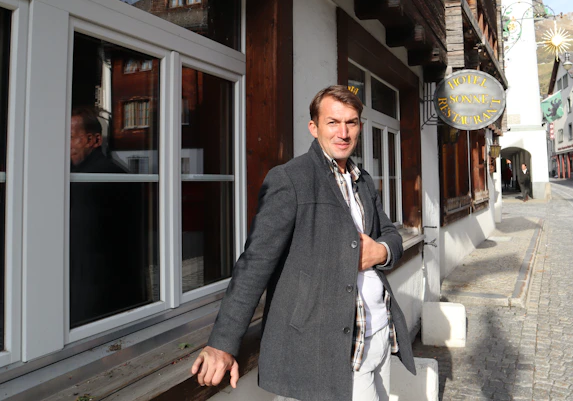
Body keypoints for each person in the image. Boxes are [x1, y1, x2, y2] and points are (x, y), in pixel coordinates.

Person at [191, 86, 415, 401]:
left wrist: (381, 252)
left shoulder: (362, 179)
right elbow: (256, 262)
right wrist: (222, 343)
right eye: (333, 122)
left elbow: (390, 232)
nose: (343, 132)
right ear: (314, 127)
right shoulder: (291, 179)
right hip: (329, 350)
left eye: (351, 123)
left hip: (378, 333)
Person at [69, 106, 146, 327]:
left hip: (95, 291)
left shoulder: (94, 178)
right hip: (113, 288)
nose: (65, 145)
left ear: (93, 140)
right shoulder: (105, 171)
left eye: (71, 137)